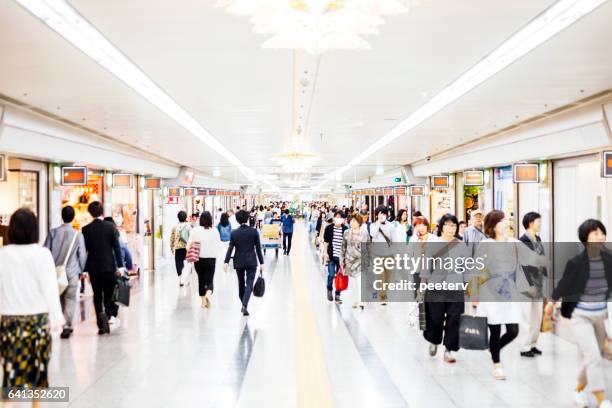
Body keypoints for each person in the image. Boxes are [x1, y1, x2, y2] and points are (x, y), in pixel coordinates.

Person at [473, 210, 548, 380]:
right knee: (495, 328)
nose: (505, 223)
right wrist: (474, 296)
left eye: (506, 220)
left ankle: (494, 348)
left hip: (510, 293)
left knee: (513, 331)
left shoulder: (514, 243)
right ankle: (497, 366)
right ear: (492, 226)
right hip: (491, 293)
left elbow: (531, 259)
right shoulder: (486, 245)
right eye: (501, 221)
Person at [547, 219, 612, 408]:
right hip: (580, 315)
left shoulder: (609, 259)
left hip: (600, 316)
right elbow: (563, 285)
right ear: (585, 238)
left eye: (602, 233)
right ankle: (601, 399)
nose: (600, 236)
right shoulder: (576, 262)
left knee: (594, 356)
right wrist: (550, 303)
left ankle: (579, 389)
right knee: (592, 355)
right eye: (595, 233)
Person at [0, 209, 64, 398]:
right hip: (38, 322)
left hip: (9, 323)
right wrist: (57, 317)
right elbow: (50, 290)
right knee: (38, 377)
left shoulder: (2, 256)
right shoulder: (43, 255)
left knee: (11, 378)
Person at [420, 214, 467, 364]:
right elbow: (427, 266)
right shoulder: (434, 244)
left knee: (454, 319)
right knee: (436, 318)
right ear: (442, 227)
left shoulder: (461, 245)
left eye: (454, 225)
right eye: (448, 225)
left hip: (456, 287)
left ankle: (449, 349)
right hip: (436, 287)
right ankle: (434, 341)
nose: (451, 228)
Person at [82, 201, 126, 335]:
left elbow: (85, 252)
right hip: (109, 266)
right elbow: (117, 248)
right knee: (108, 293)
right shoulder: (110, 227)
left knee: (97, 295)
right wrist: (121, 266)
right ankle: (107, 314)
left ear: (90, 213)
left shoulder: (86, 229)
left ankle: (100, 323)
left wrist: (84, 270)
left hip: (93, 268)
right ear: (102, 212)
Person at [44, 205, 87, 339]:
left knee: (59, 298)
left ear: (62, 216)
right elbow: (82, 255)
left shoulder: (52, 233)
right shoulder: (77, 235)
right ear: (73, 217)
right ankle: (67, 325)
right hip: (72, 273)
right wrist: (82, 271)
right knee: (70, 299)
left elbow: (46, 252)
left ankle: (61, 323)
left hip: (55, 273)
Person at [224, 210, 264, 316]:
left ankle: (243, 304)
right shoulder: (254, 232)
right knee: (249, 283)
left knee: (241, 284)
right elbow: (258, 248)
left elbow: (230, 248)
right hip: (251, 261)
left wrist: (226, 262)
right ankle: (244, 305)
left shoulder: (234, 233)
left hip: (239, 261)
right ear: (247, 219)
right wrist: (262, 263)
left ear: (237, 220)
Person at [518, 212, 547, 358]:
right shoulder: (522, 241)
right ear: (530, 223)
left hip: (539, 282)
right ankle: (524, 347)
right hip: (527, 285)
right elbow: (523, 265)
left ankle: (533, 344)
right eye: (538, 221)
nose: (540, 224)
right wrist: (530, 285)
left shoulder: (538, 239)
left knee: (537, 317)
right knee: (526, 317)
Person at [188, 211, 221, 309]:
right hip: (211, 259)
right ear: (210, 220)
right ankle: (208, 294)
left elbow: (189, 244)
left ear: (200, 219)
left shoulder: (195, 230)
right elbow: (218, 245)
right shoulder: (215, 231)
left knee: (201, 279)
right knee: (210, 280)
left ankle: (203, 302)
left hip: (198, 259)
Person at [341, 212, 370, 309]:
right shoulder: (346, 232)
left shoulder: (364, 233)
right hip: (349, 260)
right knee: (352, 281)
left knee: (359, 280)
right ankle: (354, 300)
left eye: (354, 221)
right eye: (351, 221)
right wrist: (342, 260)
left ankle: (361, 301)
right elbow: (343, 247)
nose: (352, 223)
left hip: (360, 260)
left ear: (359, 222)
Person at [324, 211, 348, 303]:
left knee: (339, 277)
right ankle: (329, 288)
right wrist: (325, 253)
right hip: (331, 255)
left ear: (343, 220)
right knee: (331, 274)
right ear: (334, 218)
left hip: (341, 258)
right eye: (336, 217)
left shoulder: (345, 229)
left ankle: (337, 294)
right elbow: (326, 242)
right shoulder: (329, 228)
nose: (338, 219)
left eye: (340, 217)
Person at [170, 211, 191, 285]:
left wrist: (172, 247)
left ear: (178, 217)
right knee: (188, 264)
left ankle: (180, 280)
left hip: (178, 248)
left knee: (178, 264)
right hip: (187, 248)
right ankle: (187, 279)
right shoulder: (188, 226)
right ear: (185, 217)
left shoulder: (174, 227)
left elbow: (172, 238)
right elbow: (191, 238)